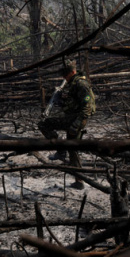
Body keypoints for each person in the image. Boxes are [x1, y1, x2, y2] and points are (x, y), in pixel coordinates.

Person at [38, 59, 95, 189]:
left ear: (72, 72)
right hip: (71, 117)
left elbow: (87, 107)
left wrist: (76, 125)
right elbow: (71, 103)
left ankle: (61, 150)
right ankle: (79, 181)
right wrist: (61, 100)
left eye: (66, 73)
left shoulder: (81, 84)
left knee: (44, 124)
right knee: (72, 149)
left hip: (77, 120)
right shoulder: (73, 83)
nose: (63, 76)